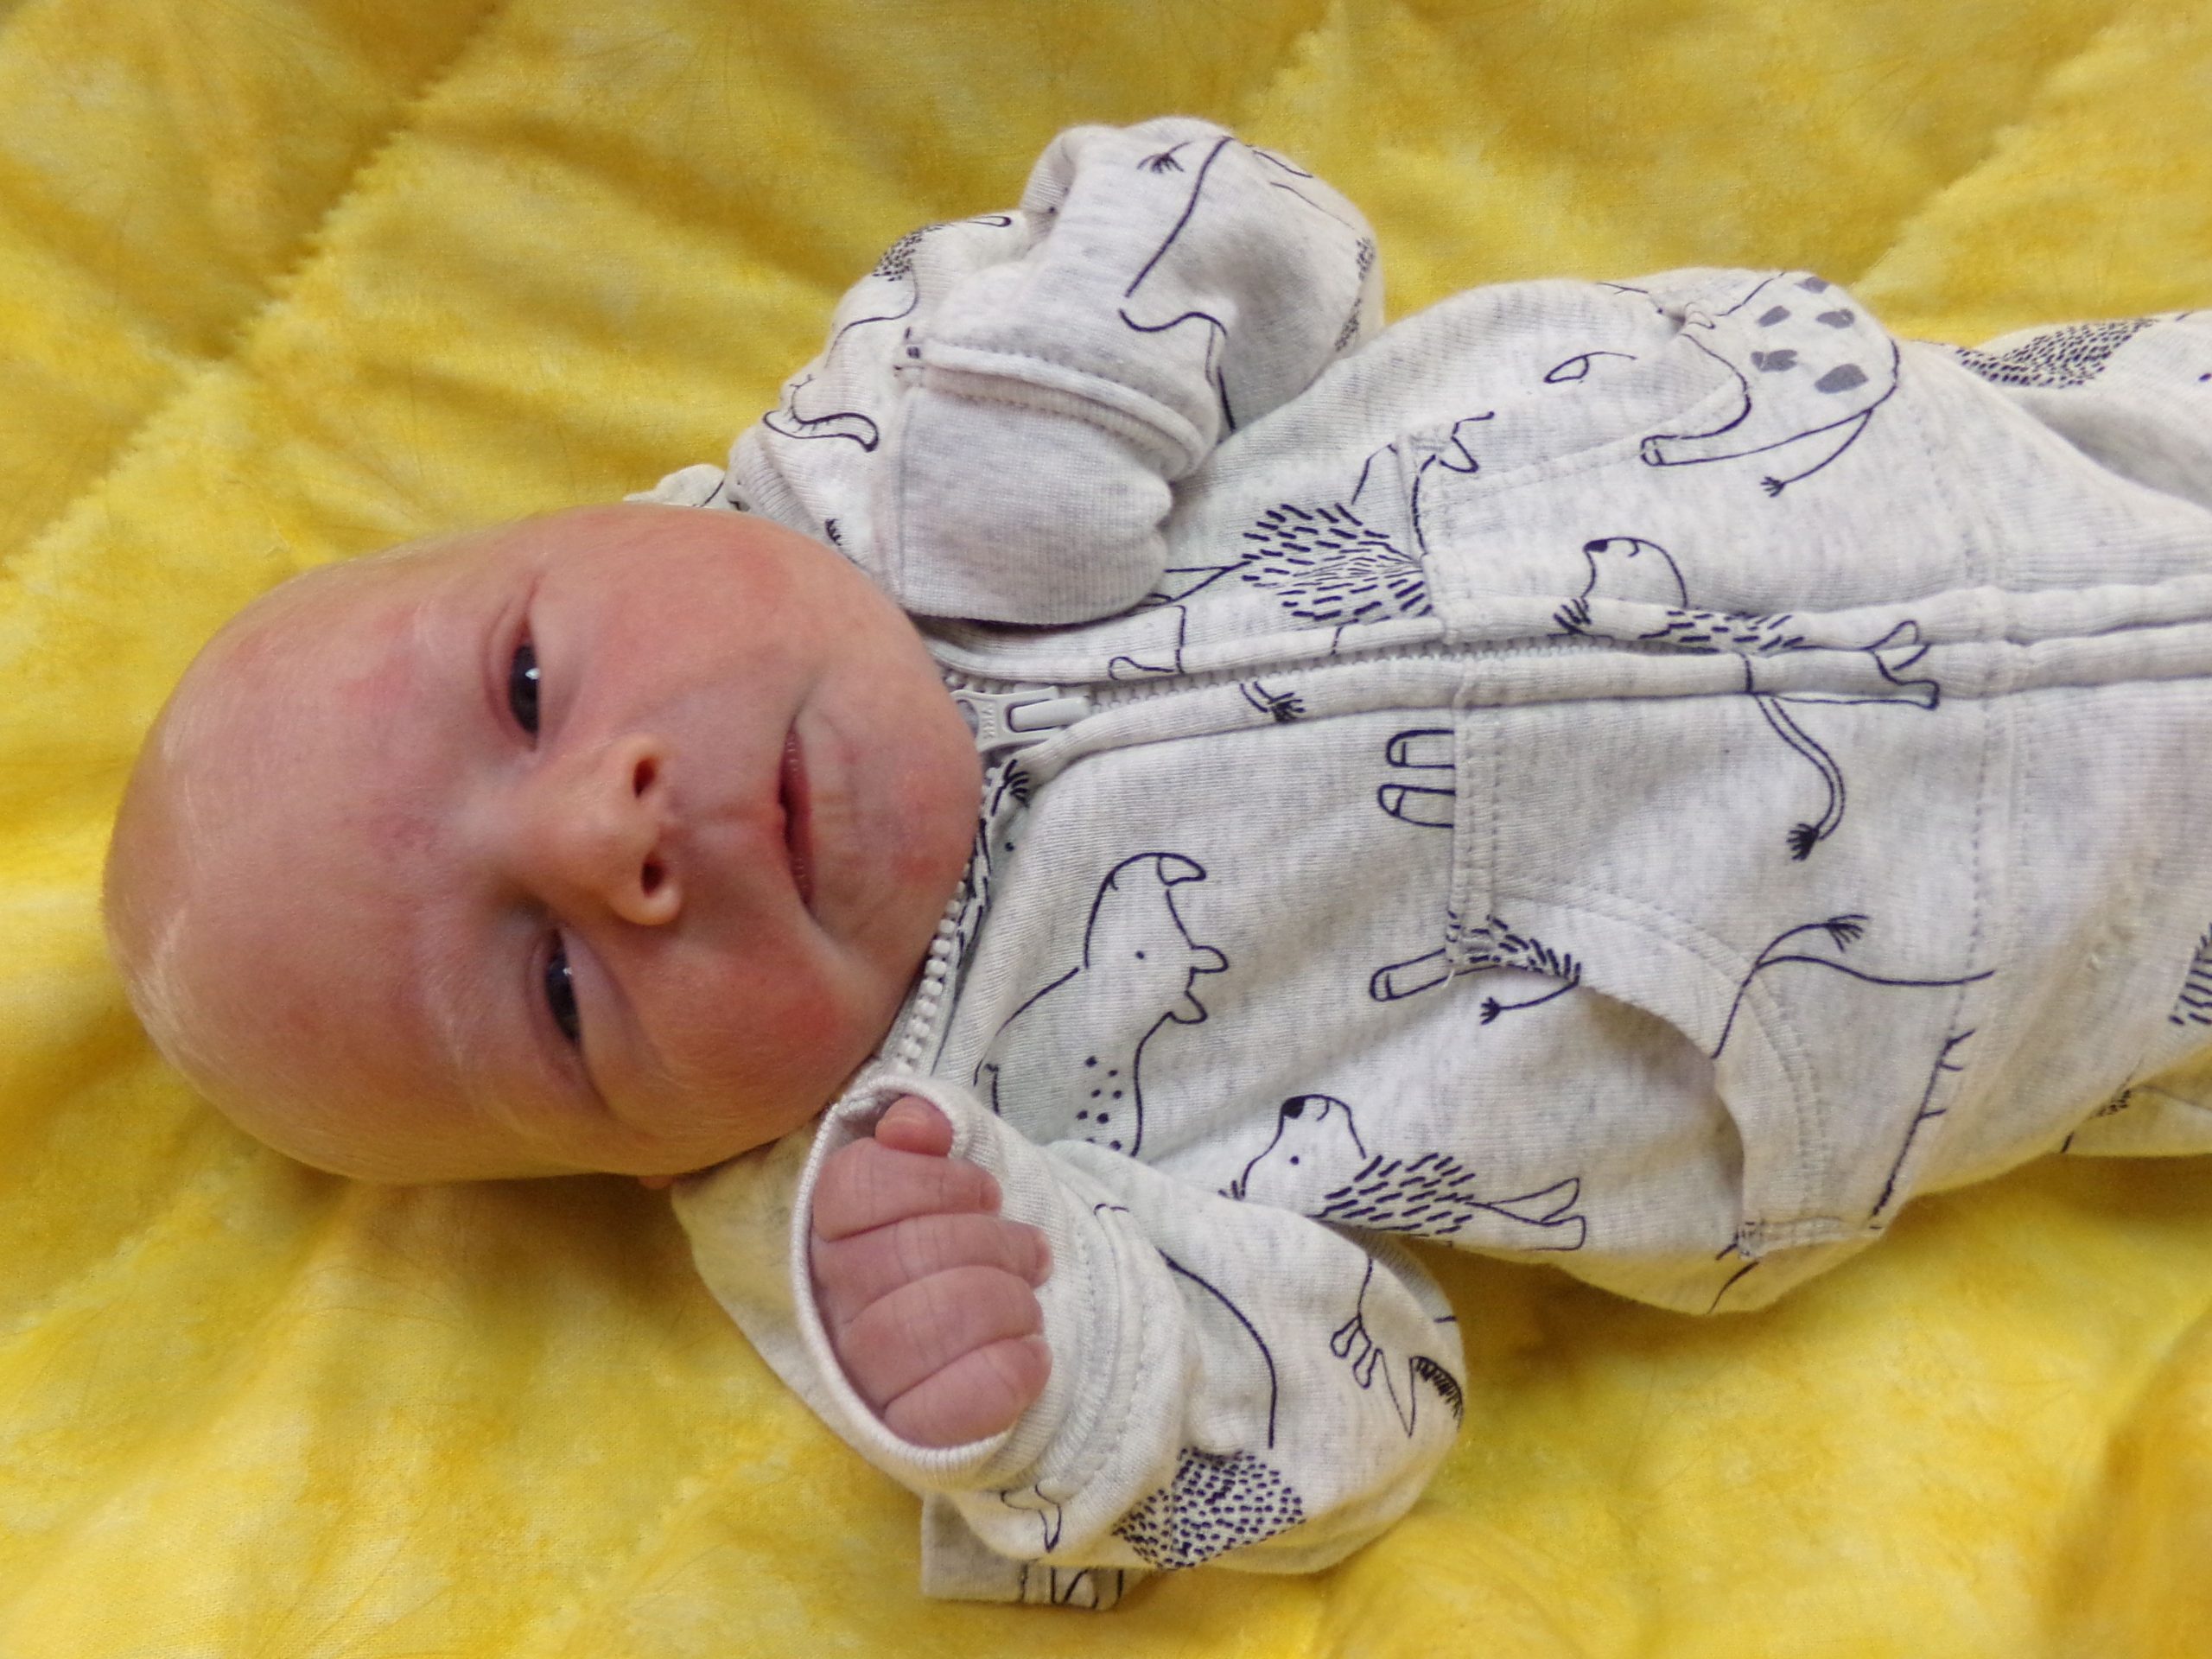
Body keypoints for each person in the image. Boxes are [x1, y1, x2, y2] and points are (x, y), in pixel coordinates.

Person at [104, 118, 2212, 1607]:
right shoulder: (912, 1189)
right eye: (556, 994)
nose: (606, 836)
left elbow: (1258, 220)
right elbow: (1363, 1413)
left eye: (528, 682)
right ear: (638, 1162)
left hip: (2028, 446)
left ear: (612, 518)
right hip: (2036, 968)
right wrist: (1058, 1391)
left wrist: (1055, 397)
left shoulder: (890, 428)